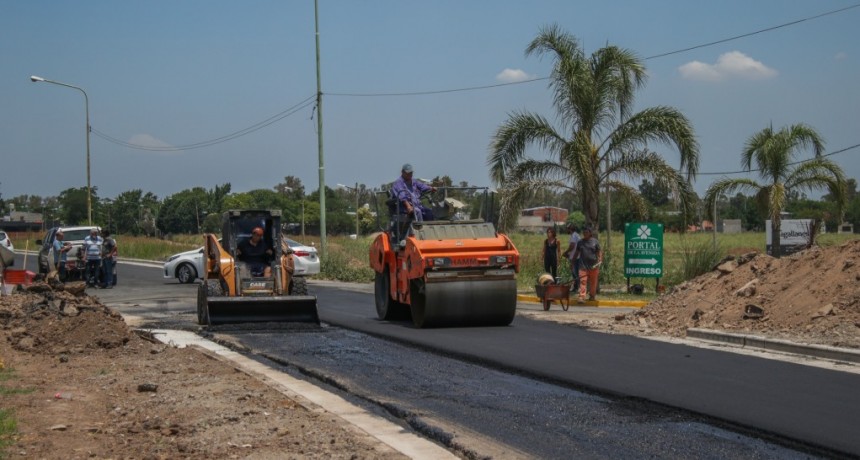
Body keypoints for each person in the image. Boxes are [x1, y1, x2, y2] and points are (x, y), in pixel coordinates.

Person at [573, 225, 602, 303]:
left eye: (586, 232)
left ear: (590, 233)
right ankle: (582, 297)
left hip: (594, 266)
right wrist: (573, 261)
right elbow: (576, 253)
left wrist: (600, 258)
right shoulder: (580, 242)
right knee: (583, 281)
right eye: (584, 232)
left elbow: (599, 251)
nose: (585, 233)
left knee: (593, 282)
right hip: (583, 266)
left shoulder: (595, 242)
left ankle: (592, 296)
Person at [562, 223, 581, 292]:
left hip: (574, 258)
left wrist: (566, 252)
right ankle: (576, 287)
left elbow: (572, 246)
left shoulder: (573, 236)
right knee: (575, 273)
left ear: (570, 229)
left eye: (567, 229)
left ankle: (578, 288)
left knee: (575, 273)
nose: (566, 230)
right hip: (576, 257)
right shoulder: (577, 235)